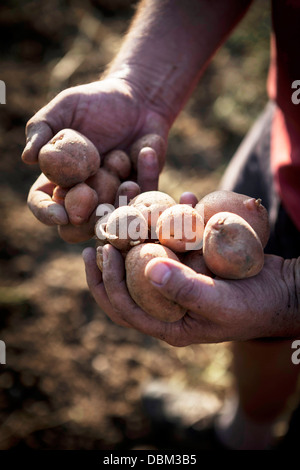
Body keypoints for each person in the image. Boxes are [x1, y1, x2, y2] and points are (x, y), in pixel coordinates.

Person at [22, 0, 300, 450]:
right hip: (288, 136)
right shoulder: (225, 217)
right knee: (264, 333)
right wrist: (140, 86)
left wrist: (292, 296)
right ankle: (246, 432)